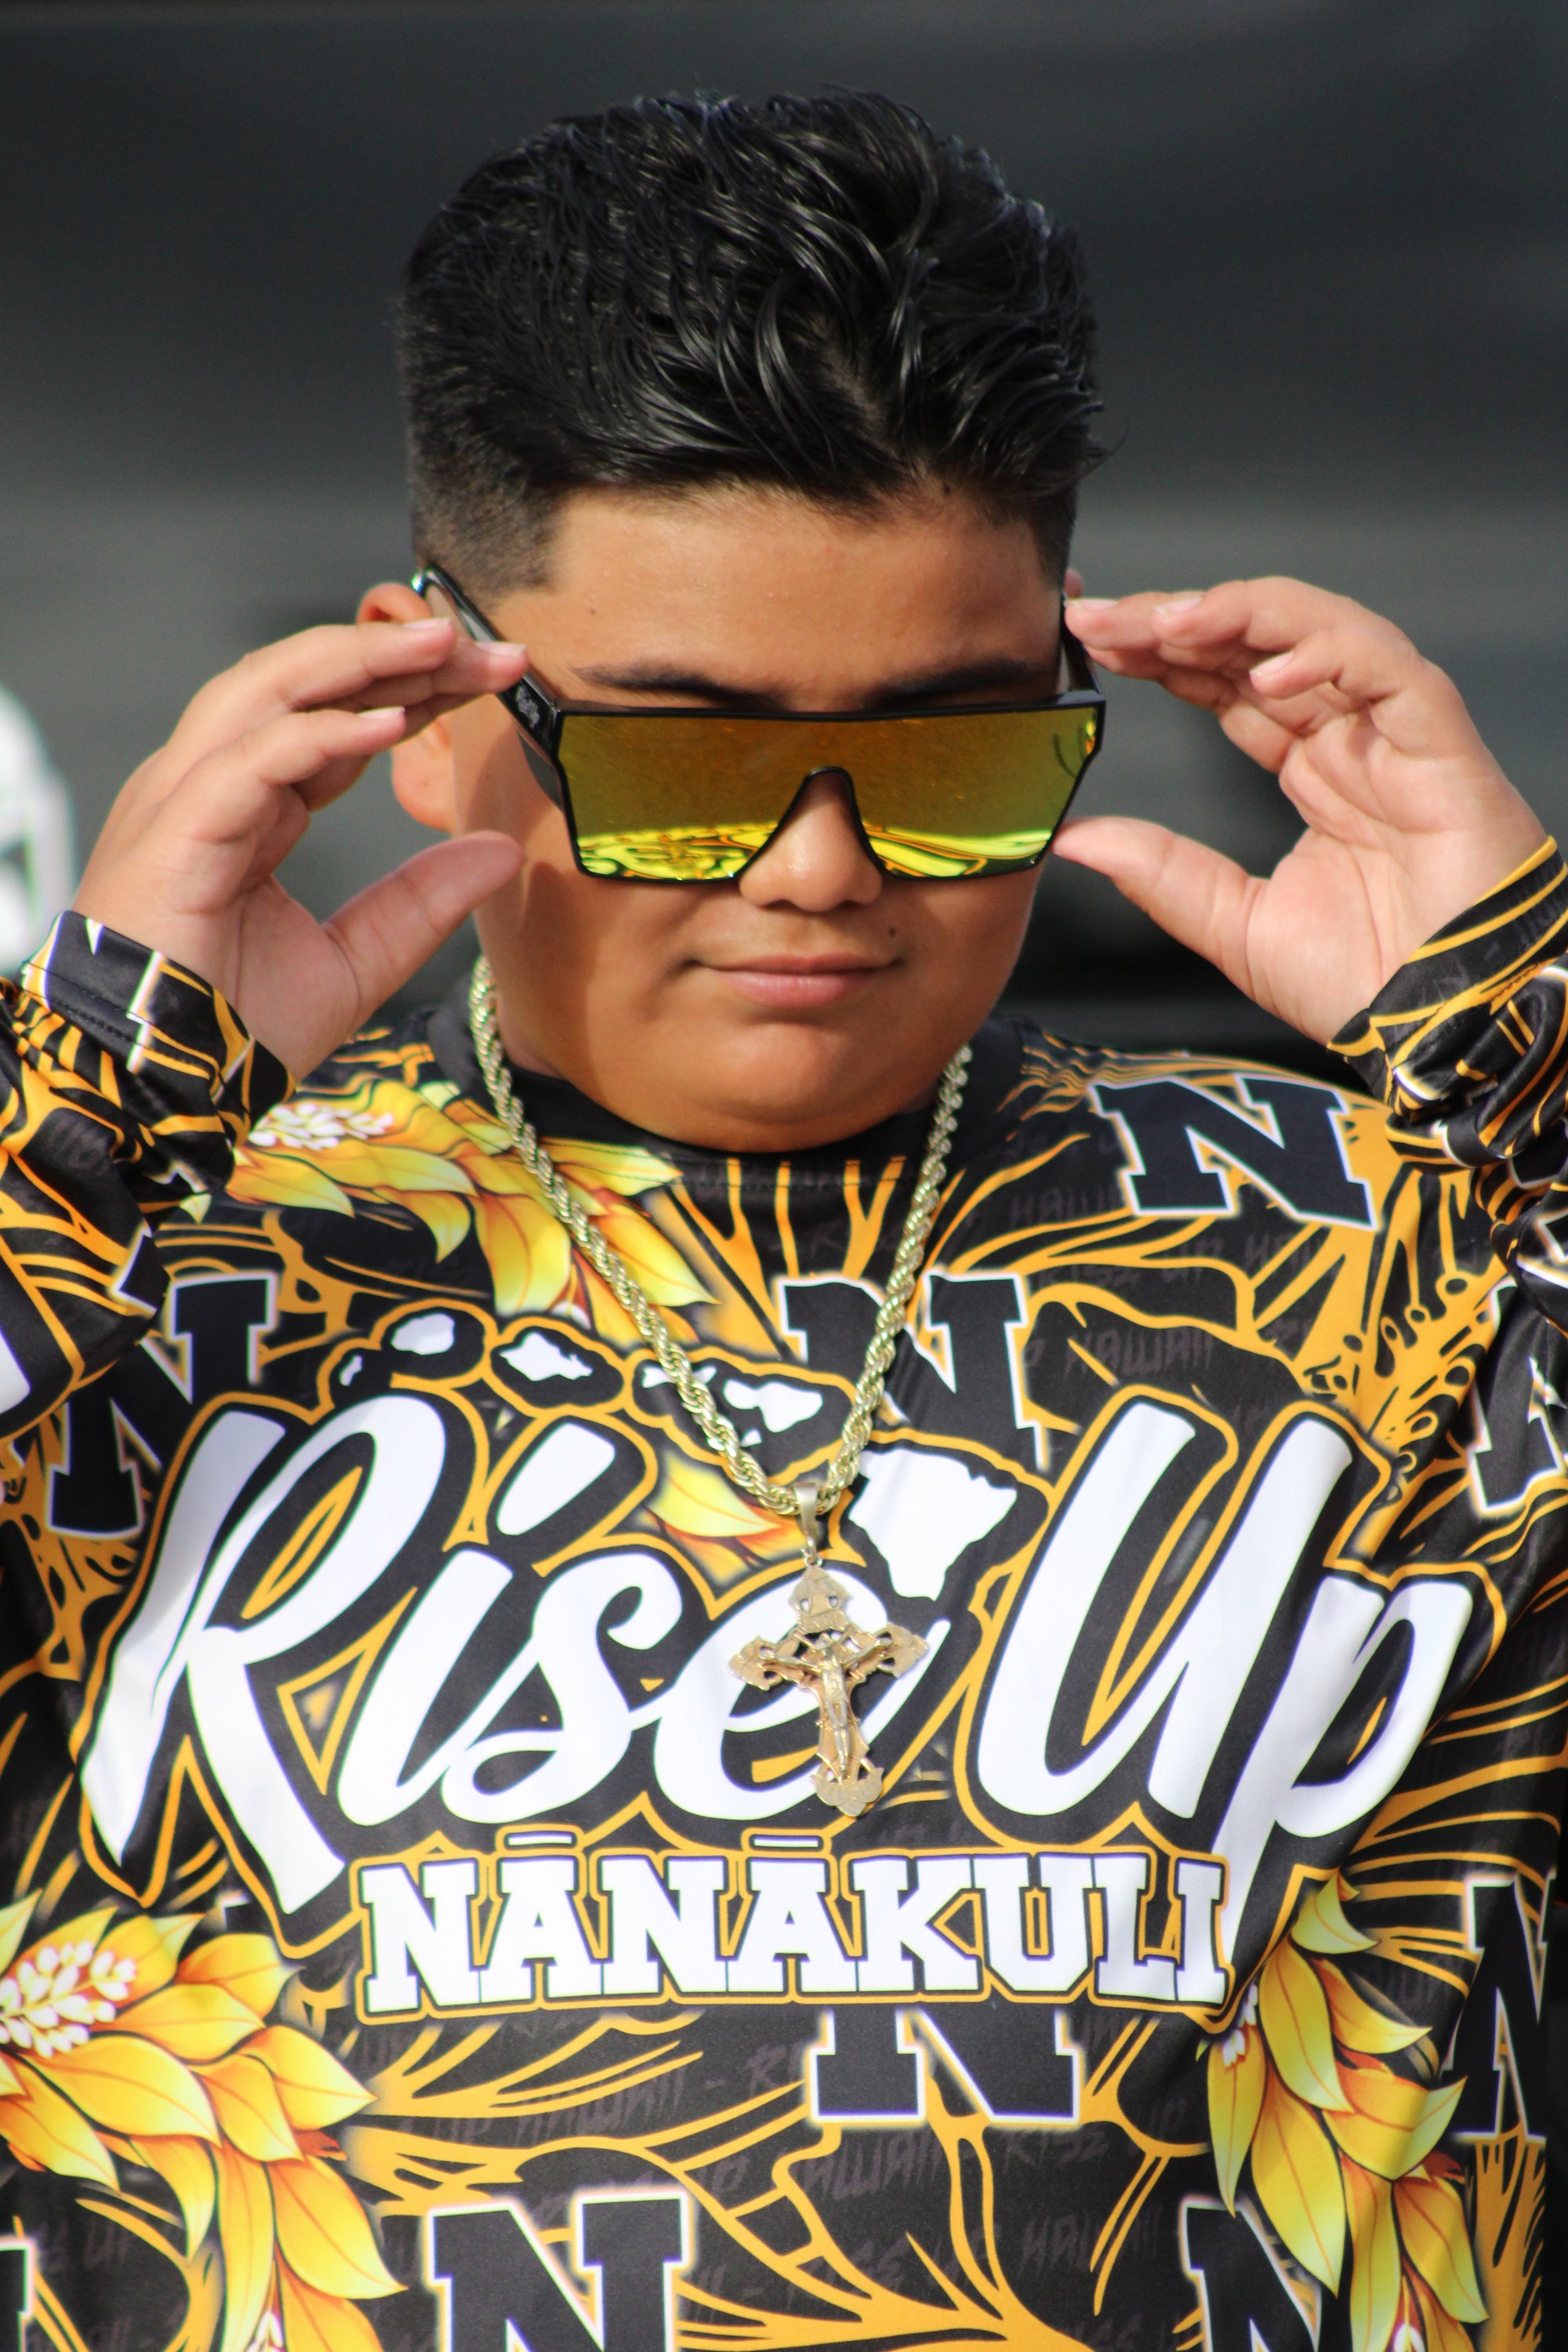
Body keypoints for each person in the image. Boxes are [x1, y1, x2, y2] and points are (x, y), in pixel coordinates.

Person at [0, 90, 1560, 2352]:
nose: (819, 868)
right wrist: (82, 1113)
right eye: (686, 758)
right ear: (421, 708)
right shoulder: (142, 1272)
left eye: (947, 753)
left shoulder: (1393, 1246)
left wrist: (1532, 1042)